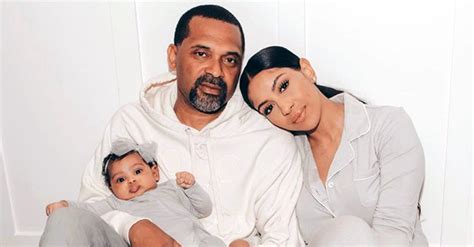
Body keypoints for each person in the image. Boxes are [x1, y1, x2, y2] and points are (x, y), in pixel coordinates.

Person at [40, 5, 303, 247]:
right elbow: (90, 210)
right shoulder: (131, 122)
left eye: (230, 60)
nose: (216, 70)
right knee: (64, 221)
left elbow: (281, 237)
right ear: (173, 56)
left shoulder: (270, 140)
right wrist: (132, 226)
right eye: (202, 54)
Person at [239, 46, 428, 246]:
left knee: (350, 231)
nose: (285, 108)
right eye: (269, 108)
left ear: (307, 70)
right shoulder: (286, 159)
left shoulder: (388, 126)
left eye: (283, 86)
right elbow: (275, 227)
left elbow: (395, 232)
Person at [45, 138, 234, 247]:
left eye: (137, 171)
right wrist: (66, 205)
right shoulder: (116, 204)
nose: (131, 180)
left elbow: (204, 209)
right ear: (111, 189)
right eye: (120, 179)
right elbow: (88, 212)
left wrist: (191, 187)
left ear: (155, 172)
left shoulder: (172, 189)